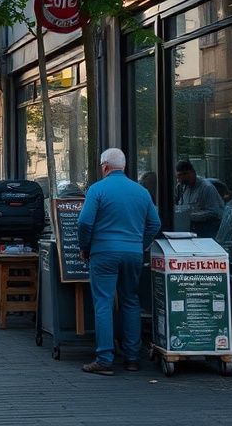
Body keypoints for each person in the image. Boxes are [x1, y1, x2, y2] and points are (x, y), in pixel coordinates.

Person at [77, 148, 161, 376]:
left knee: (103, 303)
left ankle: (104, 359)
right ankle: (132, 357)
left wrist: (85, 247)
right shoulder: (141, 191)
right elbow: (155, 223)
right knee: (131, 301)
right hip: (133, 253)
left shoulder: (97, 189)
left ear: (104, 166)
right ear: (123, 167)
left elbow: (84, 222)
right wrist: (139, 243)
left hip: (104, 252)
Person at [174, 160, 225, 238]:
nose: (179, 179)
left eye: (180, 176)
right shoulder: (183, 187)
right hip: (190, 226)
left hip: (208, 227)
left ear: (189, 173)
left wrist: (189, 216)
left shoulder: (206, 187)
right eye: (177, 176)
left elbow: (214, 212)